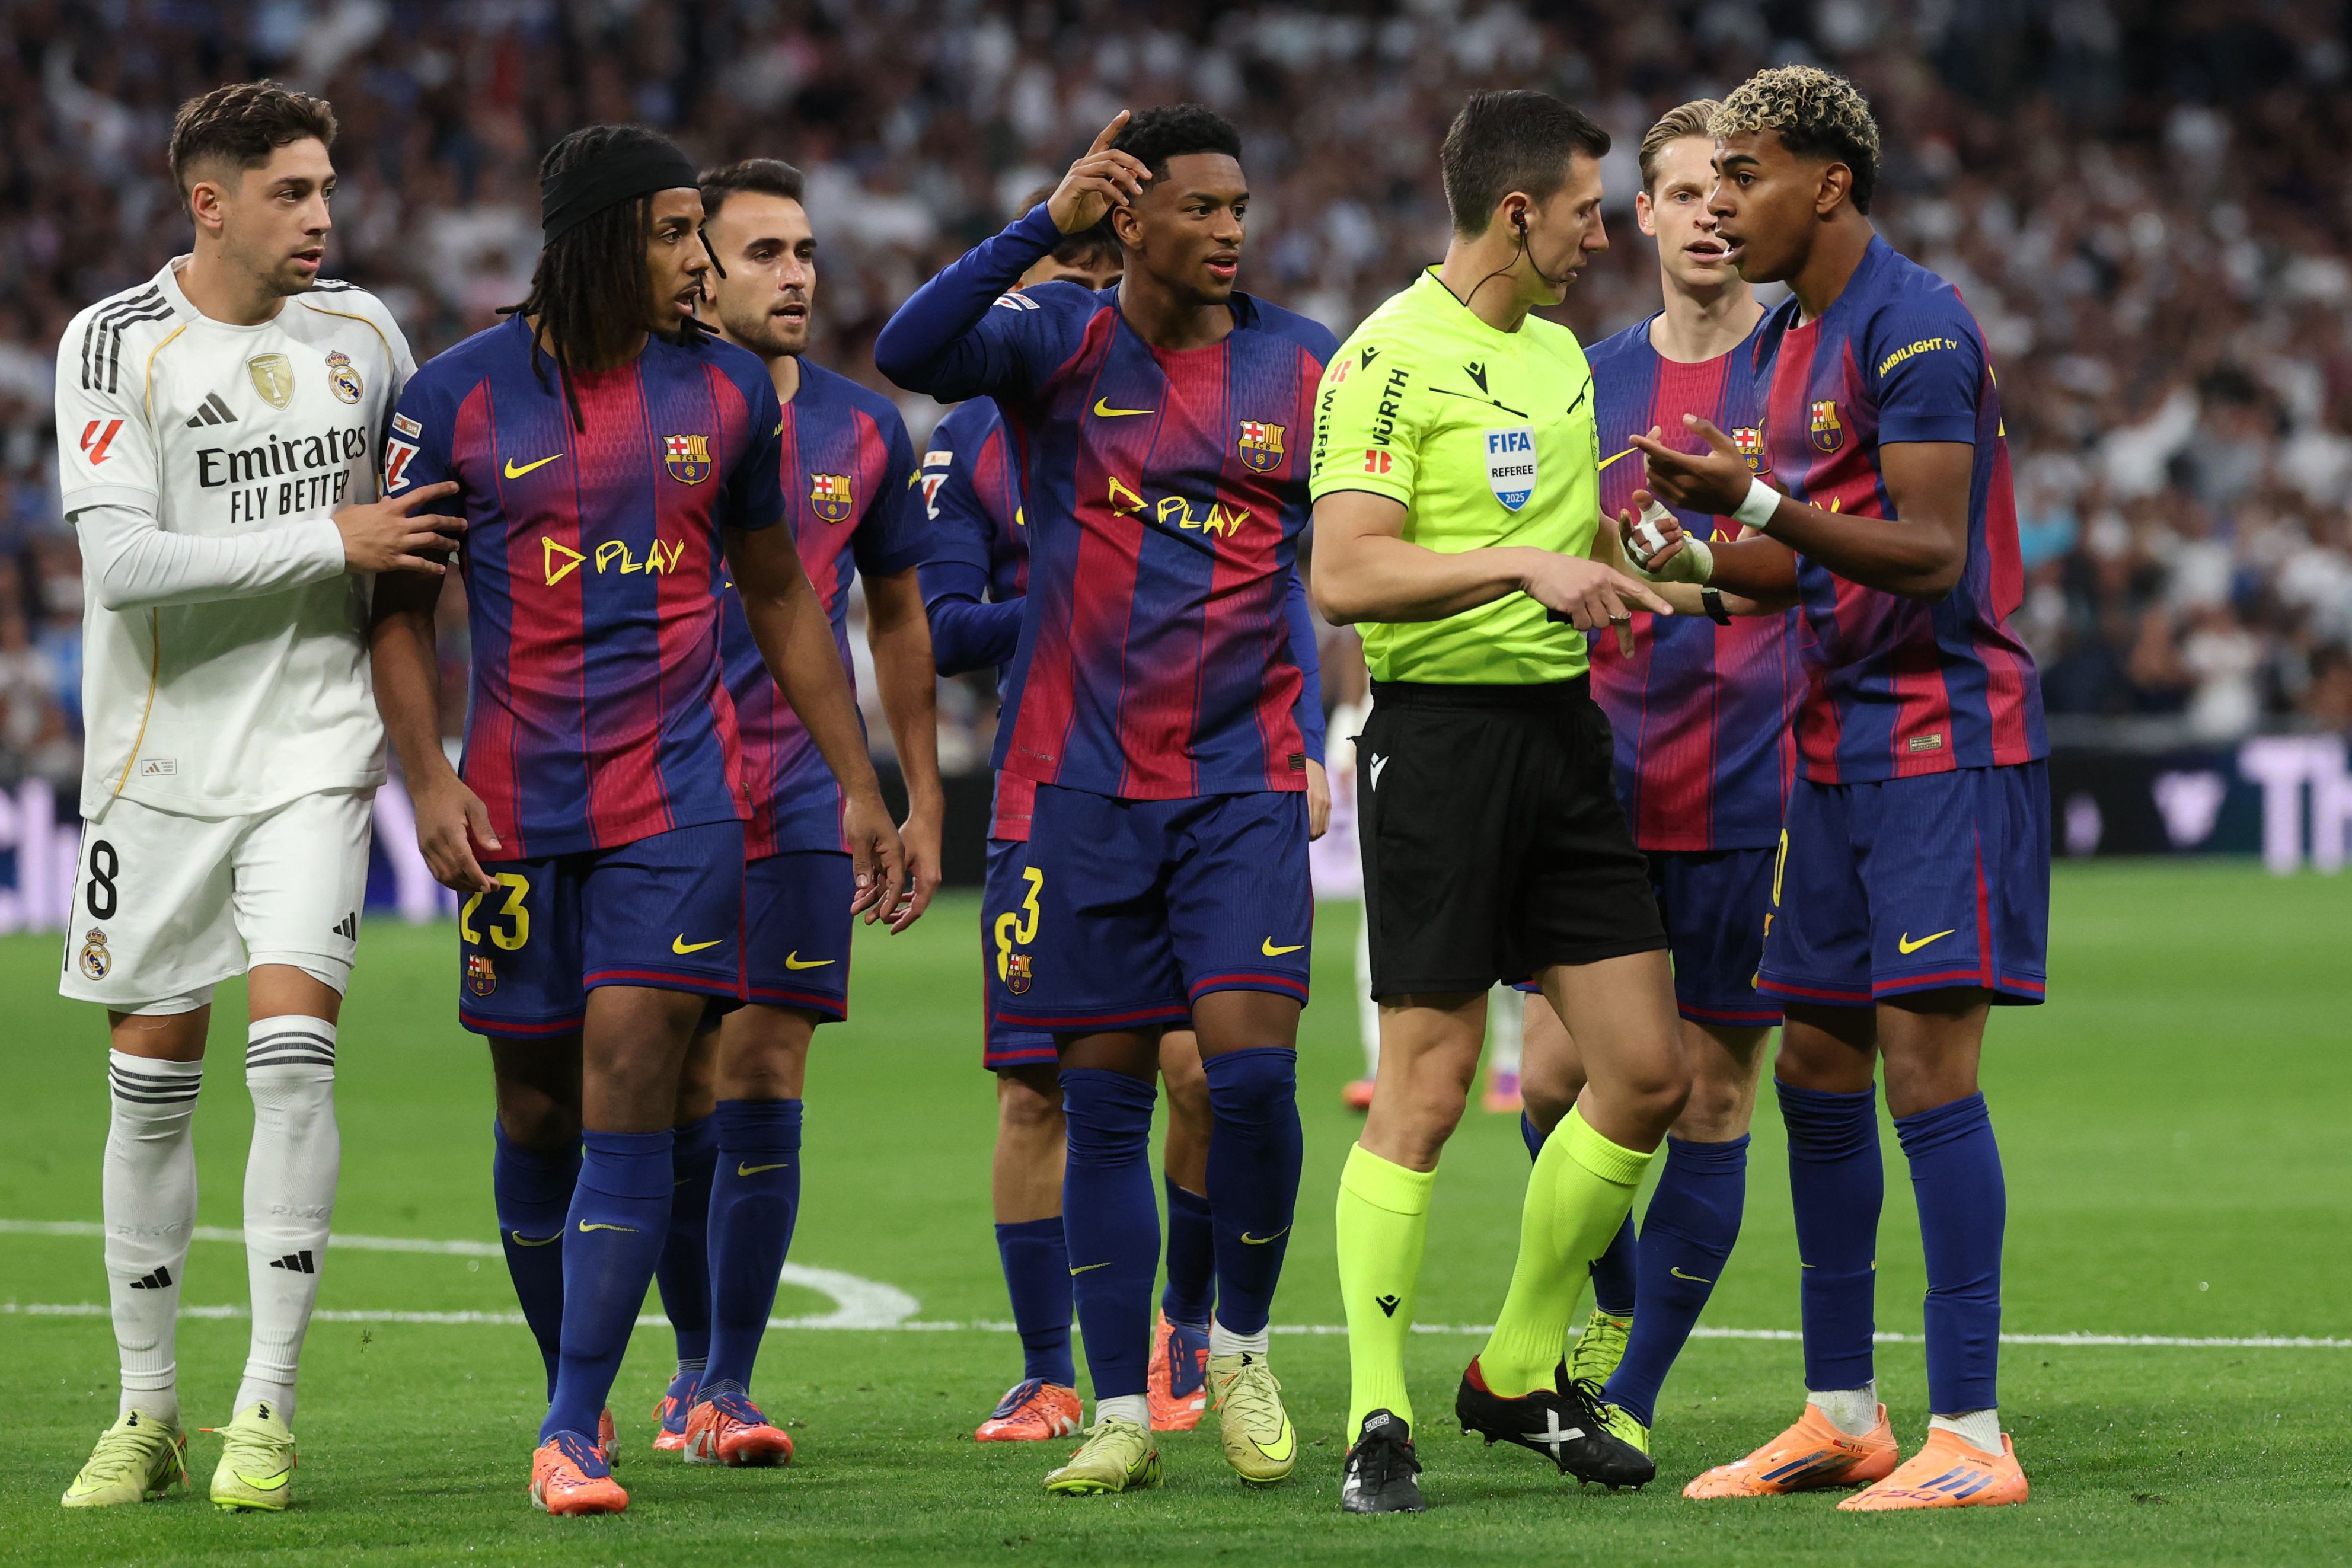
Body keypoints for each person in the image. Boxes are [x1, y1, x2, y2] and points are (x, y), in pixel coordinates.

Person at [369, 124, 905, 1516]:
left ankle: (571, 1431)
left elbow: (784, 595)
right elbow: (395, 612)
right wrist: (427, 777)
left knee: (629, 1082)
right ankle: (583, 1386)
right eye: (678, 233)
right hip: (514, 813)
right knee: (535, 1105)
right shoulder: (453, 398)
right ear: (609, 236)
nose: (701, 259)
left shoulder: (728, 393)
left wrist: (860, 779)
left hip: (679, 805)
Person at [878, 104, 1330, 1496]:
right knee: (1105, 1102)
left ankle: (1235, 1347)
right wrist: (1041, 221)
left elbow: (1316, 571)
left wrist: (1309, 733)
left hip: (1239, 777)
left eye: (1238, 206)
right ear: (1126, 221)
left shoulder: (1306, 362)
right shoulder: (1053, 345)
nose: (1228, 230)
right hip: (1077, 786)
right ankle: (1121, 1405)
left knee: (1249, 1077)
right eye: (1198, 207)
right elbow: (908, 350)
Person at [1629, 65, 2044, 1511]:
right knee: (1815, 1063)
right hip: (1829, 748)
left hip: (1940, 741)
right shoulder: (1788, 342)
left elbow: (1926, 550)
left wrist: (1741, 502)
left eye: (1746, 174)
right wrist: (1680, 557)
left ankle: (1974, 1436)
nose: (1724, 199)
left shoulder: (1915, 324)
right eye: (1712, 177)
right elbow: (1791, 563)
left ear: (1830, 182)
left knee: (1929, 1071)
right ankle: (1843, 1411)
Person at [53, 79, 446, 1513]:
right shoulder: (113, 345)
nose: (324, 216)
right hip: (156, 766)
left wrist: (428, 755)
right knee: (151, 1090)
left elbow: (413, 547)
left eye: (328, 186)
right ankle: (142, 1413)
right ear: (207, 202)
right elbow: (123, 566)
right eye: (291, 191)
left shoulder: (365, 337)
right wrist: (322, 535)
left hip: (312, 752)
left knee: (292, 1063)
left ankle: (264, 1412)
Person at [1307, 87, 1686, 1515]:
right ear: (1516, 213)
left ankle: (1516, 1375)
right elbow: (1346, 573)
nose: (1605, 234)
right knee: (1428, 1083)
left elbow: (1562, 525)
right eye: (1588, 209)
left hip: (1559, 737)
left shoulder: (1559, 365)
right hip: (1441, 742)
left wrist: (1630, 550)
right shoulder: (1387, 359)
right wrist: (1524, 571)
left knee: (1644, 1073)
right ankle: (1378, 1415)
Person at [632, 155, 944, 1468]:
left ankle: (723, 1384)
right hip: (651, 792)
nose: (797, 273)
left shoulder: (865, 429)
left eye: (804, 250)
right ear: (697, 270)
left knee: (764, 1070)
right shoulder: (632, 410)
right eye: (763, 252)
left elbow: (897, 615)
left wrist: (917, 793)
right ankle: (682, 1369)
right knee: (672, 1082)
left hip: (803, 797)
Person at [1509, 98, 1804, 1467]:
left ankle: (1632, 1386)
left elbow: (1826, 562)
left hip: (1754, 779)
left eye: (1727, 189)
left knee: (1713, 1096)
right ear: (1640, 217)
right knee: (1550, 1085)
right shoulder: (1580, 378)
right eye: (1679, 191)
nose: (1704, 212)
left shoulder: (1807, 376)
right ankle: (1610, 1316)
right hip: (1598, 781)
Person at [915, 208, 1240, 1442]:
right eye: (1072, 275)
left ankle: (1187, 1329)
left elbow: (1272, 572)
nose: (1093, 299)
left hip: (1204, 787)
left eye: (1111, 274)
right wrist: (1080, 590)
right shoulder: (968, 443)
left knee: (1204, 1074)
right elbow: (947, 631)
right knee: (1037, 1092)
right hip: (1047, 798)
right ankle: (1048, 1369)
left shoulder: (1193, 408)